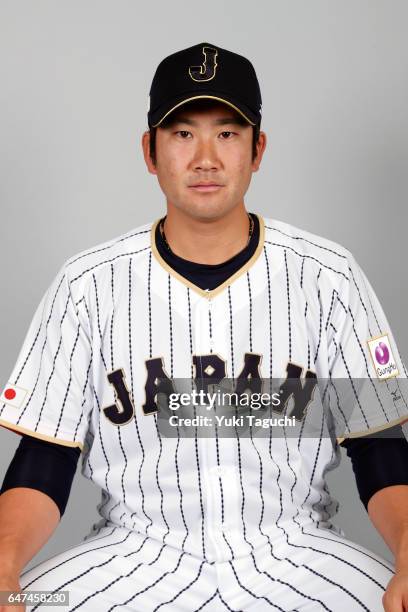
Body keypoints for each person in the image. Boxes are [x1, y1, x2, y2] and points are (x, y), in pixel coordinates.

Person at [0, 42, 408, 611]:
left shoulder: (328, 276)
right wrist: (5, 566)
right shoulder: (86, 285)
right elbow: (45, 460)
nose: (206, 158)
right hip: (131, 555)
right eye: (183, 133)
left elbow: (380, 446)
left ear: (257, 148)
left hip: (299, 552)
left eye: (227, 132)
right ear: (150, 150)